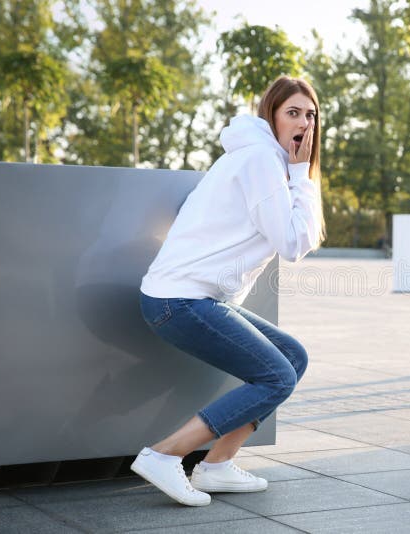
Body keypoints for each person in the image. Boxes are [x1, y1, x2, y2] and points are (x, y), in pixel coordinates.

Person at [131, 76, 325, 506]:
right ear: (271, 116)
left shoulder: (259, 159)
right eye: (293, 112)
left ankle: (216, 466)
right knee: (277, 375)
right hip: (179, 300)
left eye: (311, 115)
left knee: (293, 356)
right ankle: (165, 455)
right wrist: (300, 174)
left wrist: (295, 174)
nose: (304, 123)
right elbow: (294, 244)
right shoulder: (262, 161)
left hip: (193, 297)